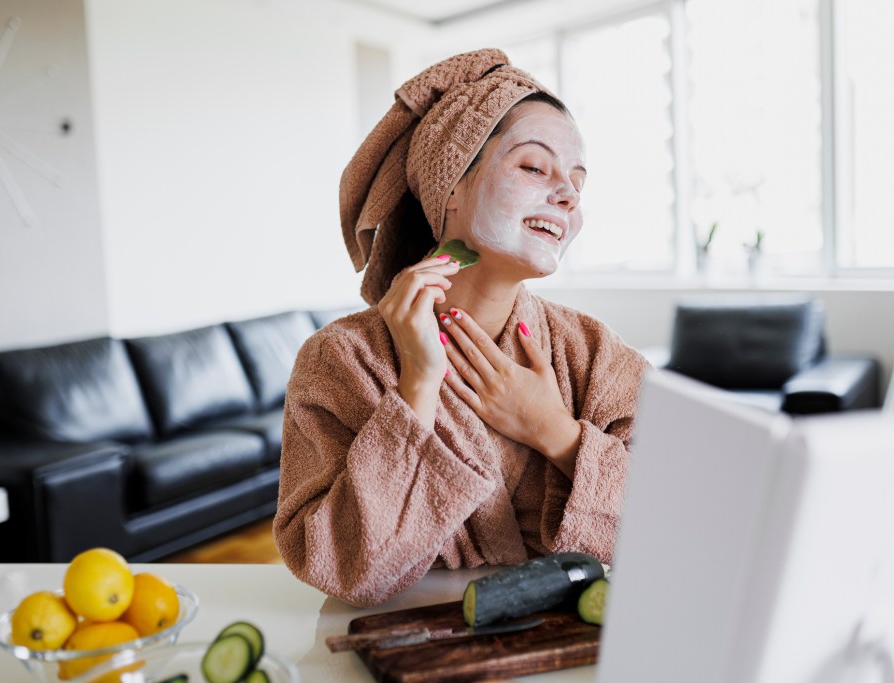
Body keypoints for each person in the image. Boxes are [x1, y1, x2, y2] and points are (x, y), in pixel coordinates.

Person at [273, 49, 650, 607]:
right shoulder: (341, 360)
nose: (569, 195)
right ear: (450, 186)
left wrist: (555, 432)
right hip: (408, 643)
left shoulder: (594, 353)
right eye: (533, 166)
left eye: (577, 181)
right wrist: (418, 387)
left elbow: (680, 521)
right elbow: (344, 568)